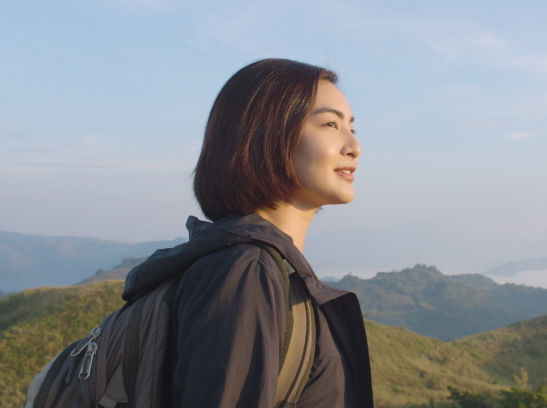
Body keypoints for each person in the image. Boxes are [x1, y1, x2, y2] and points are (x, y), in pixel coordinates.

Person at [121, 59, 373, 407]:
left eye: (352, 128)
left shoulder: (252, 267)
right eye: (330, 124)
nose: (354, 146)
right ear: (267, 137)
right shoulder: (247, 272)